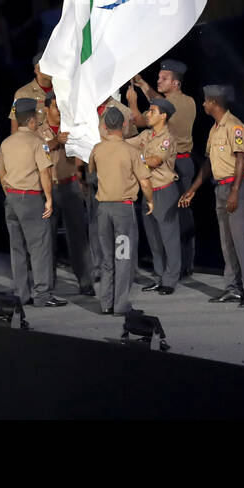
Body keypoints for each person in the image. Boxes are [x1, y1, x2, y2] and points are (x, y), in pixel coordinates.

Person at [179, 85, 244, 307]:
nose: (204, 104)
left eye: (206, 101)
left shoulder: (234, 126)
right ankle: (233, 289)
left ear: (214, 101)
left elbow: (242, 159)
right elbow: (208, 164)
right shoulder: (215, 129)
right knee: (227, 242)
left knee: (240, 240)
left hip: (238, 187)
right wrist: (193, 188)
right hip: (221, 188)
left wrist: (235, 192)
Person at [0, 97, 66, 307]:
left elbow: (1, 171)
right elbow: (45, 172)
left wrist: (9, 192)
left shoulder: (7, 142)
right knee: (39, 248)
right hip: (31, 198)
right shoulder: (37, 142)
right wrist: (49, 199)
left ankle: (21, 293)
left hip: (11, 198)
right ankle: (42, 295)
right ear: (32, 120)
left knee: (16, 248)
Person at [131, 59, 197, 275]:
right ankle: (180, 266)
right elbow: (158, 101)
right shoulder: (188, 101)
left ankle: (174, 268)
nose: (158, 80)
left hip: (173, 164)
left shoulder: (174, 104)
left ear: (176, 83)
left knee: (169, 218)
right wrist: (143, 85)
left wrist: (133, 101)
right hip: (181, 161)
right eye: (158, 77)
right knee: (176, 216)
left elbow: (142, 120)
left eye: (164, 78)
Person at [88, 107, 154, 315]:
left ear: (105, 126)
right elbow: (144, 181)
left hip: (103, 210)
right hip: (123, 212)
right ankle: (121, 304)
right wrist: (150, 201)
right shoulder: (131, 151)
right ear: (124, 125)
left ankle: (105, 303)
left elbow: (91, 174)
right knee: (123, 257)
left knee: (107, 259)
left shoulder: (97, 149)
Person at [41, 92, 94, 295]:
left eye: (61, 107)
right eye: (55, 106)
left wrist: (81, 179)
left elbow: (80, 153)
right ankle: (47, 283)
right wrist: (55, 141)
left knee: (78, 236)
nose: (59, 111)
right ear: (46, 108)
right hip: (48, 189)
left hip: (69, 185)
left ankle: (85, 282)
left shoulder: (70, 128)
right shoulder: (38, 129)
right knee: (47, 238)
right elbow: (35, 149)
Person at [128, 97, 181, 294]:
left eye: (152, 111)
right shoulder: (146, 135)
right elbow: (125, 144)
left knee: (169, 238)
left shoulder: (167, 137)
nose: (147, 114)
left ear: (163, 115)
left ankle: (170, 279)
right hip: (148, 190)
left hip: (164, 191)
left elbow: (154, 160)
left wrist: (135, 159)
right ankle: (160, 276)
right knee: (154, 239)